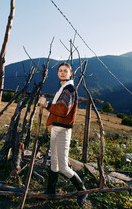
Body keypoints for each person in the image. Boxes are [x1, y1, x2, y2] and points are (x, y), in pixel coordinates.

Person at [39, 62, 87, 207]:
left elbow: (62, 110)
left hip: (64, 131)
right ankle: (50, 192)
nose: (62, 73)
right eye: (60, 70)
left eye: (66, 71)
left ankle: (82, 190)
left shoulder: (70, 89)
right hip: (56, 129)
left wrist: (46, 104)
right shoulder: (63, 88)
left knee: (63, 166)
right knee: (54, 163)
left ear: (70, 73)